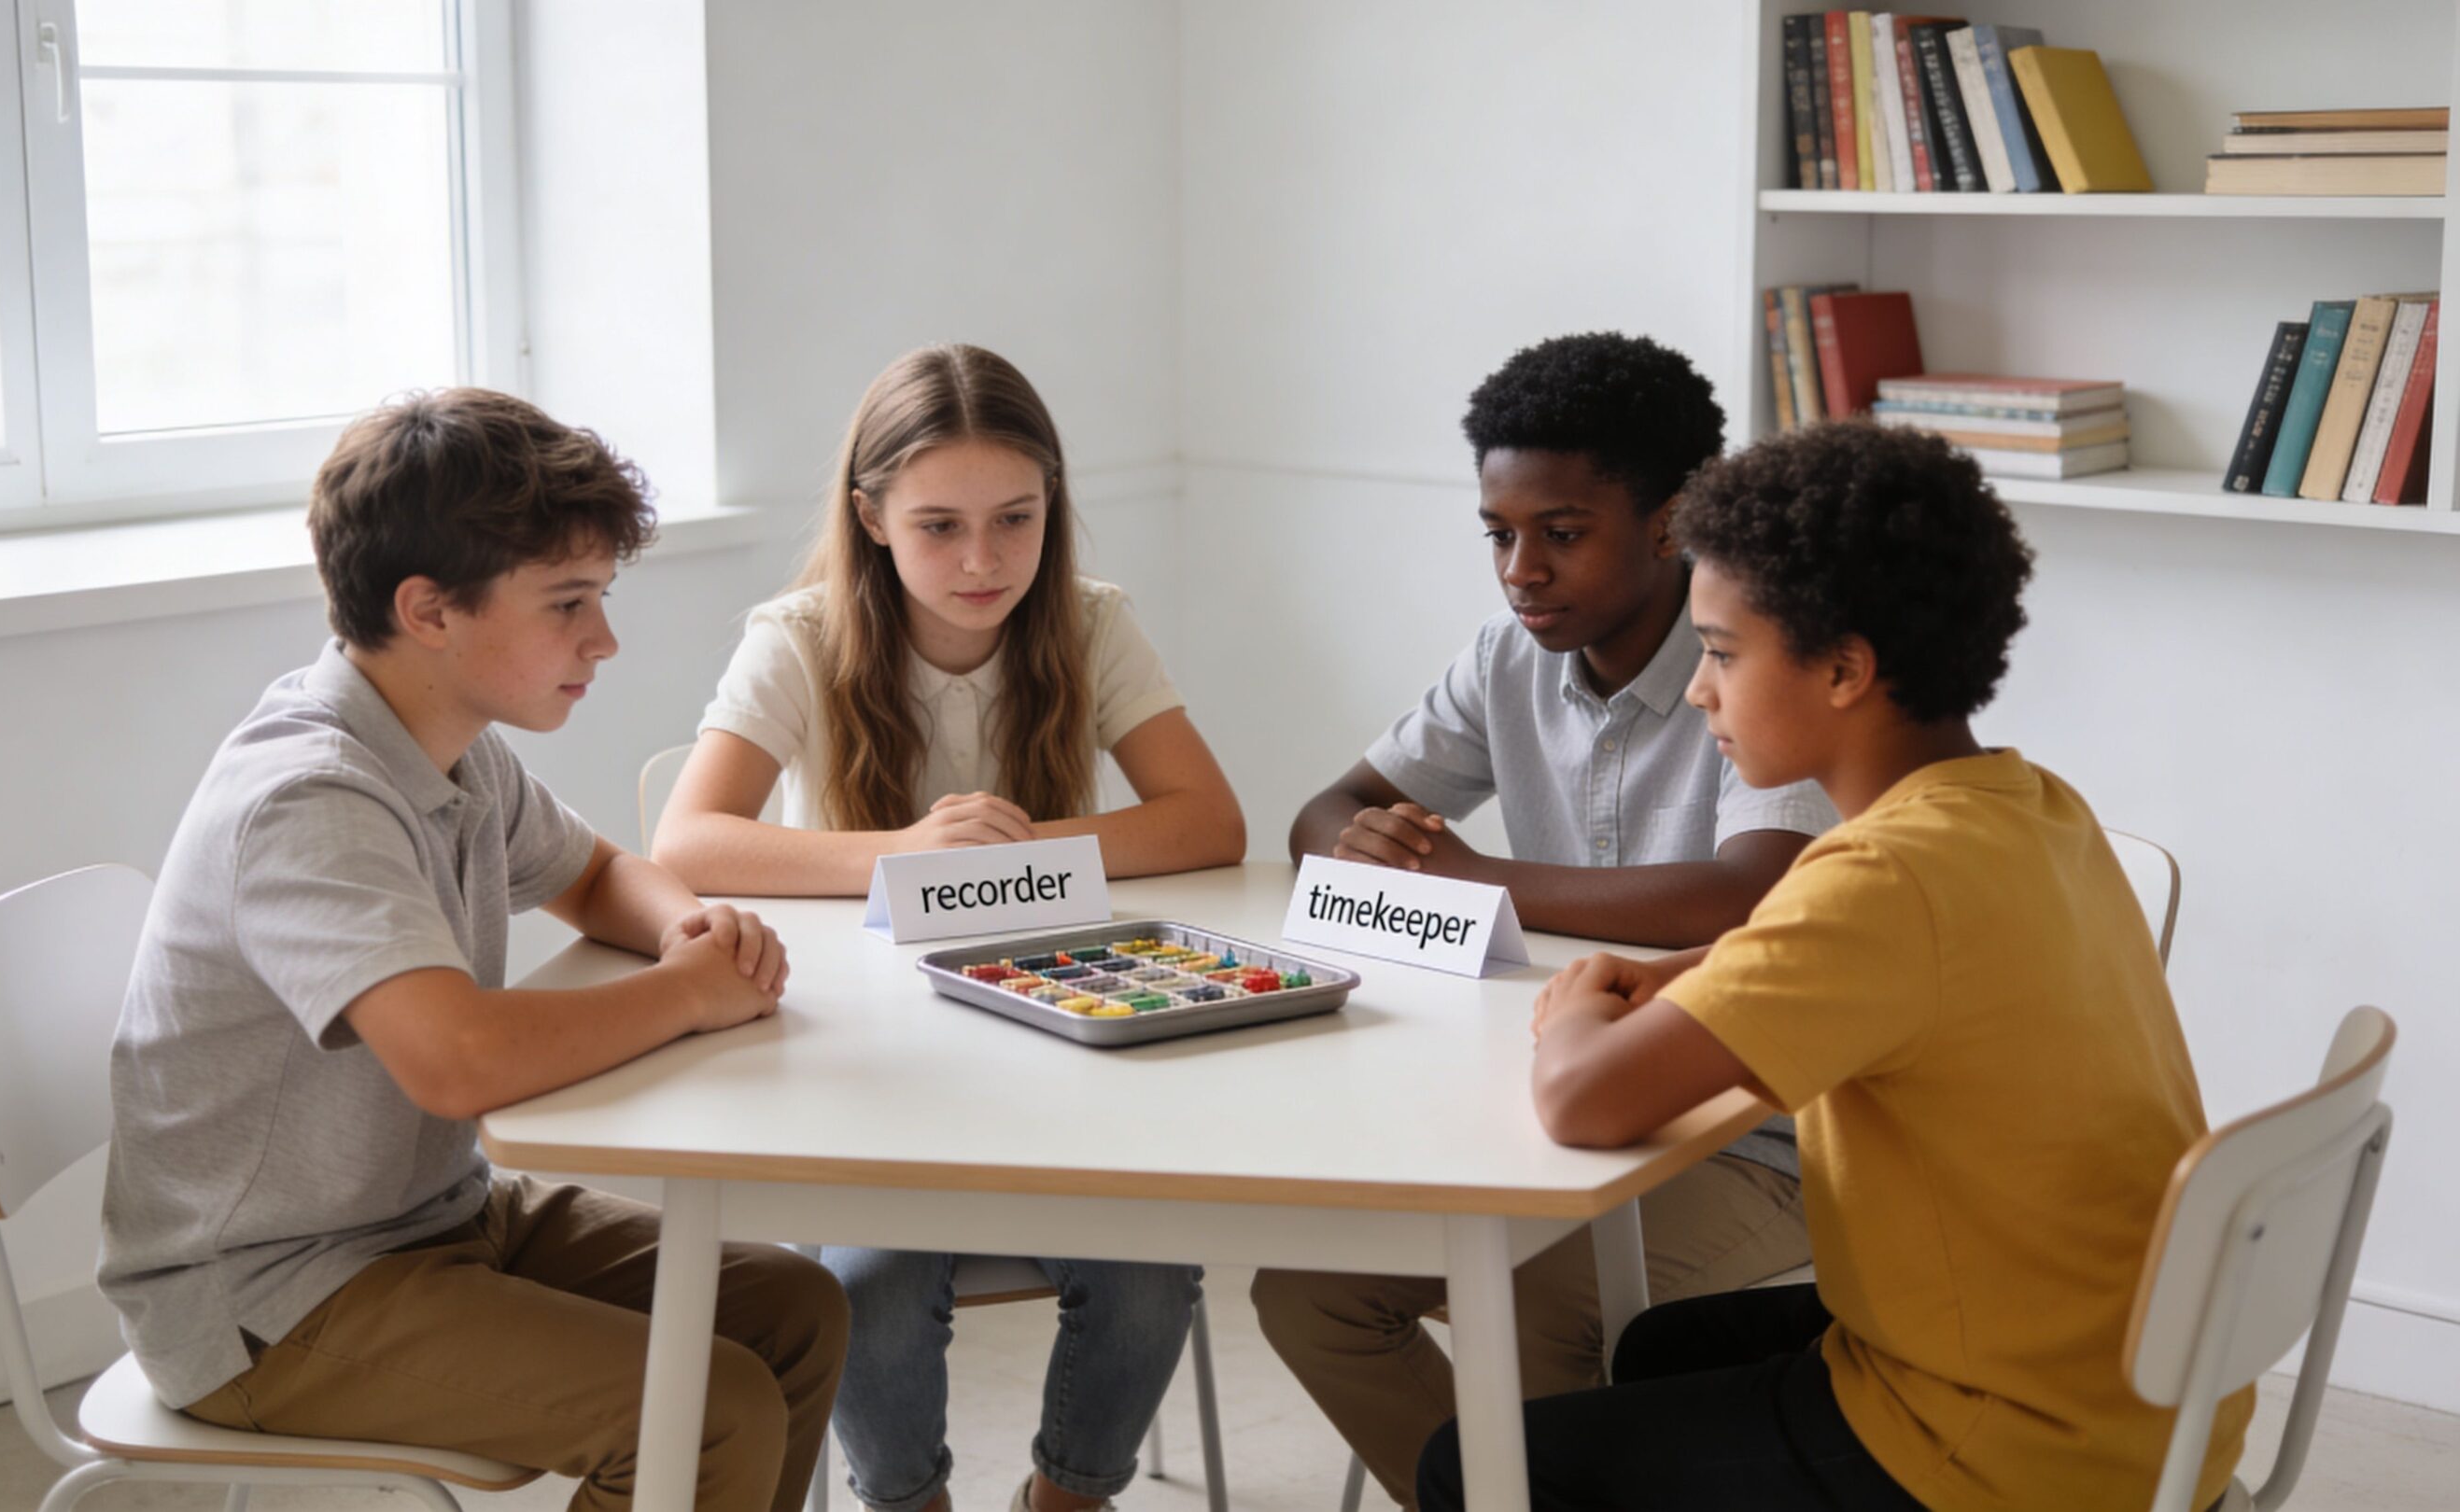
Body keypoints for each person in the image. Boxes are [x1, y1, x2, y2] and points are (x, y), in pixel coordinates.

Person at [1419, 419, 2250, 1511]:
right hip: (2141, 1383)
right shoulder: (2027, 806)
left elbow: (1582, 1101)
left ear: (1846, 669)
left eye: (1721, 653)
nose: (1704, 691)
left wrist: (1576, 1004)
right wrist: (1695, 976)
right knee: (1661, 1349)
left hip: (2003, 1442)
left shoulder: (1876, 879)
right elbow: (1882, 967)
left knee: (1468, 1466)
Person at [98, 389, 848, 1512]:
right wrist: (687, 998)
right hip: (269, 1297)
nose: (603, 638)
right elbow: (459, 1063)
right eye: (567, 603)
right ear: (429, 610)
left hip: (432, 1218)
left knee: (796, 1310)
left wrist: (681, 930)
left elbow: (594, 873)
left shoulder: (450, 746)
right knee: (705, 1411)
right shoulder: (310, 799)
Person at [1256, 333, 1834, 1506]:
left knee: (1538, 1310)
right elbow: (1327, 812)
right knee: (1305, 1290)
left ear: (1670, 523)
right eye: (1500, 534)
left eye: (1562, 532)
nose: (1522, 568)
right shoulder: (1506, 660)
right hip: (1547, 1098)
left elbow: (1749, 891)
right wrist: (1370, 846)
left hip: (1754, 1137)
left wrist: (1475, 880)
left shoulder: (1758, 657)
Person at [657, 344, 1235, 1512]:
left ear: (1052, 507)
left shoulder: (1088, 621)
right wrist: (906, 851)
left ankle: (1067, 1496)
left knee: (1150, 1274)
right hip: (866, 1068)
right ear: (871, 517)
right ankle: (904, 1500)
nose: (982, 561)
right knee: (867, 1289)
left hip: (1056, 1046)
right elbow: (689, 841)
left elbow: (1208, 822)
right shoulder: (800, 635)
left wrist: (1022, 849)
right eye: (938, 526)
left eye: (1015, 519)